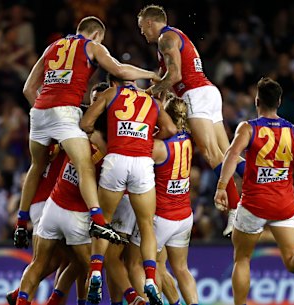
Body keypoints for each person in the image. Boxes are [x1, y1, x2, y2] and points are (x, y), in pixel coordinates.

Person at [16, 16, 160, 248]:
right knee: (84, 164)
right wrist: (151, 75)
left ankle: (21, 222)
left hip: (40, 110)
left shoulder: (52, 47)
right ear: (96, 35)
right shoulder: (91, 46)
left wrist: (46, 115)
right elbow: (120, 70)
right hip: (65, 111)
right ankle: (97, 219)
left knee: (36, 166)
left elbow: (28, 88)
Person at [214, 77, 294, 305]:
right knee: (292, 262)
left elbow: (230, 155)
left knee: (242, 259)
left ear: (257, 101)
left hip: (254, 206)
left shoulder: (248, 128)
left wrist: (220, 187)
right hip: (284, 207)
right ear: (279, 102)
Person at [136, 5, 242, 236]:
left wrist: (151, 93)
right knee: (227, 153)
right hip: (207, 92)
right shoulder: (172, 37)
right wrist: (161, 93)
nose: (142, 32)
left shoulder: (166, 38)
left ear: (151, 23)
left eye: (142, 27)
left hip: (195, 94)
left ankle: (235, 209)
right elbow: (170, 80)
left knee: (209, 152)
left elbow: (175, 76)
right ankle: (263, 186)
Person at [80, 75, 177, 305]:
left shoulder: (110, 94)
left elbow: (85, 124)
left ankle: (95, 272)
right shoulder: (150, 100)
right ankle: (150, 279)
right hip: (142, 162)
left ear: (114, 81)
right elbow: (170, 128)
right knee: (146, 226)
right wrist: (145, 136)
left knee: (103, 221)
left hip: (116, 159)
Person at [14, 139, 106, 305]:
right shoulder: (107, 159)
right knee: (88, 266)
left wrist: (22, 219)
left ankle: (19, 297)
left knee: (45, 262)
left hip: (52, 205)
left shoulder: (71, 139)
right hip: (73, 214)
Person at [128, 95, 198, 305]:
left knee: (134, 264)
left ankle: (151, 301)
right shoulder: (187, 140)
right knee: (181, 269)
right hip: (184, 215)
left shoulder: (158, 147)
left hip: (161, 216)